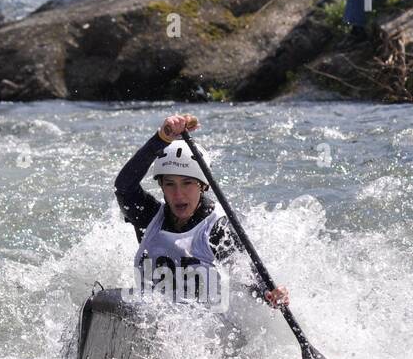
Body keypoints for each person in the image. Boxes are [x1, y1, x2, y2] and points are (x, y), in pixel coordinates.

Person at [115, 114, 288, 310]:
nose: (178, 194)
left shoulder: (218, 230)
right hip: (150, 321)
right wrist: (162, 138)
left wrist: (270, 294)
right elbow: (124, 186)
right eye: (170, 184)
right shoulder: (148, 218)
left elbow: (247, 277)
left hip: (204, 331)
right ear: (161, 186)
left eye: (187, 183)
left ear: (203, 186)